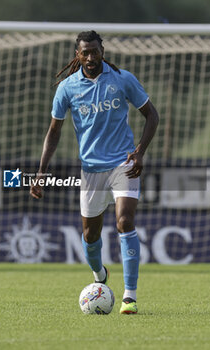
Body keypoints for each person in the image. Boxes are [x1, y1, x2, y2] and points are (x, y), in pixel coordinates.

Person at [30, 30, 159, 314]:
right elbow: (54, 133)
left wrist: (139, 151)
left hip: (123, 164)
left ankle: (130, 296)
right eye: (84, 52)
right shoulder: (67, 88)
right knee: (90, 235)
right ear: (77, 55)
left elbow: (152, 115)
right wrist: (41, 172)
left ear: (103, 50)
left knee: (125, 221)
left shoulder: (122, 79)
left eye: (94, 51)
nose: (90, 57)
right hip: (90, 170)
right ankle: (100, 275)